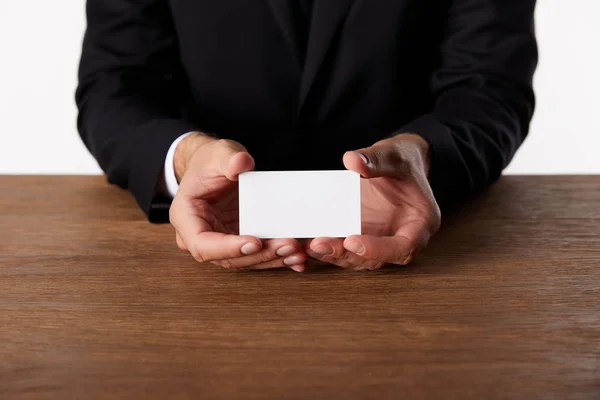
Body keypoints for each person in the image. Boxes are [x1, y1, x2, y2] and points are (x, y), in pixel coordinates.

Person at [76, 0, 537, 272]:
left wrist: (424, 153)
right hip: (192, 276)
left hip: (418, 267)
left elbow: (489, 86)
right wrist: (186, 158)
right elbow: (114, 87)